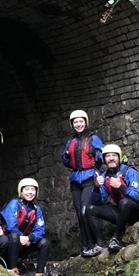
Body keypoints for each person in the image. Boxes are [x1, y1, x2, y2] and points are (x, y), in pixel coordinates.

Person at [86, 144, 139, 255]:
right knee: (90, 209)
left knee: (124, 202)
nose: (111, 158)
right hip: (122, 213)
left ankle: (115, 238)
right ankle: (100, 244)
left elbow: (138, 196)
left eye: (114, 156)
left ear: (119, 158)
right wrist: (96, 187)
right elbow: (99, 201)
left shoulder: (130, 171)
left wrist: (120, 186)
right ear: (104, 160)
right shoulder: (104, 176)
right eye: (108, 156)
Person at [61, 109, 105, 258]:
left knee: (86, 211)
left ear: (86, 123)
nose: (78, 124)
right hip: (76, 180)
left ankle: (97, 243)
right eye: (75, 122)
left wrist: (96, 154)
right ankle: (85, 245)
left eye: (81, 121)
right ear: (72, 124)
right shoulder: (71, 141)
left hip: (89, 178)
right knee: (80, 214)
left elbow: (103, 156)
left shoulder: (93, 138)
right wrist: (67, 156)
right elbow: (65, 161)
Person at [0, 178, 51, 276]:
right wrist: (22, 237)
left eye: (33, 190)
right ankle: (13, 272)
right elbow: (10, 226)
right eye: (27, 189)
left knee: (45, 243)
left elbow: (40, 230)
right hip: (9, 244)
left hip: (22, 243)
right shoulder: (14, 204)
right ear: (21, 191)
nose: (30, 192)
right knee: (14, 236)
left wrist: (30, 238)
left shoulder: (36, 209)